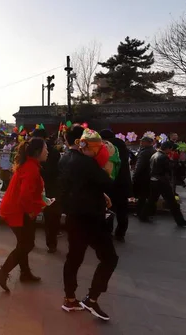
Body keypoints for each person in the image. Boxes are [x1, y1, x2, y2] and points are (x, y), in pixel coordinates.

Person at [59, 126, 118, 321]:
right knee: (109, 258)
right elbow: (108, 182)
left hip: (73, 215)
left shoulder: (65, 159)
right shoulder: (87, 163)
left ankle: (70, 298)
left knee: (74, 257)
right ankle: (91, 298)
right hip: (91, 217)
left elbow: (79, 185)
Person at [0, 138, 49, 292]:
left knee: (23, 243)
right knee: (27, 244)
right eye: (46, 149)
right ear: (38, 152)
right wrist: (31, 210)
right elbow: (25, 196)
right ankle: (3, 272)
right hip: (17, 211)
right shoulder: (31, 168)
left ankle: (25, 273)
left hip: (15, 209)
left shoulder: (31, 165)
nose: (48, 152)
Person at [139, 141, 186, 226]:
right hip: (162, 181)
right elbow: (170, 168)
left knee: (152, 200)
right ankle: (180, 221)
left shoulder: (154, 155)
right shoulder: (163, 157)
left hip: (154, 180)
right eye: (171, 149)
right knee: (172, 202)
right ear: (168, 148)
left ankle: (143, 215)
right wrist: (178, 163)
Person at [99, 129, 133, 243]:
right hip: (123, 182)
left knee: (109, 208)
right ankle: (121, 233)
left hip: (111, 183)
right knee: (122, 209)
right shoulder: (123, 147)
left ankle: (108, 232)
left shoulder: (106, 147)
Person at [31, 129, 62, 253]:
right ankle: (51, 244)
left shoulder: (35, 152)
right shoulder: (54, 151)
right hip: (50, 188)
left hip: (41, 187)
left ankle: (31, 241)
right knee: (51, 218)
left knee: (33, 216)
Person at [133, 136, 155, 217]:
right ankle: (150, 212)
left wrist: (134, 176)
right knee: (149, 196)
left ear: (147, 143)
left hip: (143, 177)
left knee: (142, 196)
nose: (141, 143)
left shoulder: (144, 152)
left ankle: (140, 212)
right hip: (151, 176)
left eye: (142, 141)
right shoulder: (154, 151)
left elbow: (139, 166)